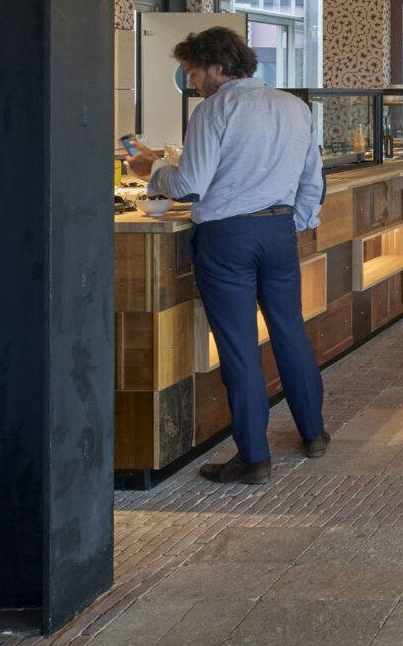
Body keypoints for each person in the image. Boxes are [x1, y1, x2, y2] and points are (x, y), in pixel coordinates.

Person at [125, 26, 327, 483]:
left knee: (239, 346)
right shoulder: (294, 107)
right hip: (278, 231)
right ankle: (314, 434)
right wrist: (292, 223)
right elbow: (312, 179)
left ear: (218, 67)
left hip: (227, 237)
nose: (192, 82)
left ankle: (254, 458)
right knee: (290, 331)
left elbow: (189, 184)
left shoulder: (215, 110)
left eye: (194, 72)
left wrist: (151, 170)